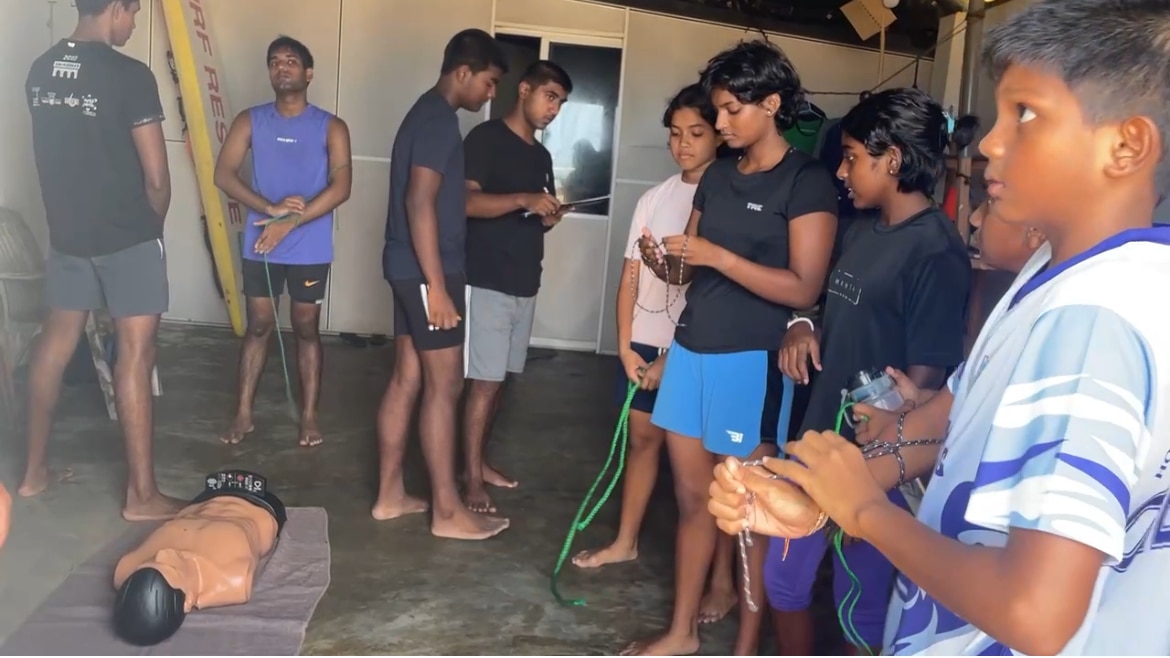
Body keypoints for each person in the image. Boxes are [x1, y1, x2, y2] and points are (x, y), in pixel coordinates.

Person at [708, 0, 1170, 654]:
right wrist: (820, 494)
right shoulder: (1062, 279)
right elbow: (945, 419)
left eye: (1026, 114)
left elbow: (1037, 613)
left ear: (1126, 146)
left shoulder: (1094, 318)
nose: (989, 143)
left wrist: (863, 512)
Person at [622, 41, 839, 656]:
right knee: (693, 500)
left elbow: (805, 285)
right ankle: (682, 632)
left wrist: (717, 255)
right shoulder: (717, 175)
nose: (719, 124)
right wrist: (671, 263)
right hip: (692, 349)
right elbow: (692, 271)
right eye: (717, 111)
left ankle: (745, 646)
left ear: (770, 104)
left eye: (729, 111)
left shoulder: (807, 180)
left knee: (748, 510)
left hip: (753, 362)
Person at [767, 88, 975, 655]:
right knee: (784, 581)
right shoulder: (862, 228)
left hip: (874, 461)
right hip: (817, 440)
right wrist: (804, 324)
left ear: (894, 160)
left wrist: (873, 467)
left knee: (861, 601)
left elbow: (925, 384)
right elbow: (830, 307)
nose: (842, 170)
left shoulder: (936, 250)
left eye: (853, 156)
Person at [572, 82, 739, 624]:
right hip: (645, 340)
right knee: (640, 441)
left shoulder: (728, 198)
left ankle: (721, 579)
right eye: (675, 134)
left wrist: (670, 354)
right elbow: (629, 278)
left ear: (719, 133)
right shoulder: (655, 197)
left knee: (711, 470)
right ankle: (626, 539)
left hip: (693, 346)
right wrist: (624, 348)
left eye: (696, 133)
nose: (683, 144)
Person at [20, 0, 182, 521]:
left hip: (68, 235)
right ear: (115, 7)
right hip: (125, 236)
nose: (133, 26)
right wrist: (147, 235)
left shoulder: (40, 70)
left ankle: (32, 474)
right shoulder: (130, 76)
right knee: (135, 355)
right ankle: (142, 496)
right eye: (132, 15)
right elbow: (157, 179)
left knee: (53, 347)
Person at [371, 28, 511, 541]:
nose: (490, 94)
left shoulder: (424, 114)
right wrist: (439, 286)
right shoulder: (438, 123)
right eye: (489, 83)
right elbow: (418, 202)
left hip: (406, 265)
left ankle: (390, 495)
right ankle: (448, 511)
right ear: (463, 73)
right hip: (427, 269)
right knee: (445, 385)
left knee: (409, 377)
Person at [213, 36, 352, 448]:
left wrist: (291, 220)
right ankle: (243, 413)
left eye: (291, 61)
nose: (282, 67)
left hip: (309, 247)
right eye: (274, 62)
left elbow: (342, 187)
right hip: (262, 243)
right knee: (258, 326)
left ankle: (309, 416)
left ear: (309, 73)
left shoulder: (331, 126)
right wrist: (269, 209)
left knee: (305, 328)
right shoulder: (249, 120)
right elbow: (224, 175)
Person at [460, 60, 573, 514]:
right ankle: (469, 478)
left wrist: (546, 218)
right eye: (549, 97)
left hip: (526, 280)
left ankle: (479, 462)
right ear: (523, 90)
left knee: (501, 380)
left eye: (561, 103)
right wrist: (523, 199)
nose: (554, 109)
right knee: (483, 384)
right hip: (486, 278)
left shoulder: (541, 157)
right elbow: (465, 202)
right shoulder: (485, 139)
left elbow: (527, 220)